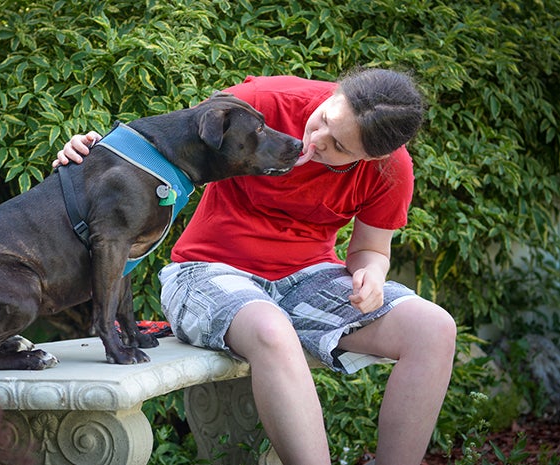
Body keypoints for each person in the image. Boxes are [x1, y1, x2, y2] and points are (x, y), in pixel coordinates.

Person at [54, 69, 457, 465]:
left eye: (338, 147)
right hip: (206, 271)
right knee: (271, 327)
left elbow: (371, 250)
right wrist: (91, 151)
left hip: (308, 279)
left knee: (433, 329)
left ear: (376, 156)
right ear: (336, 94)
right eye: (323, 121)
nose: (312, 142)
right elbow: (159, 143)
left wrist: (373, 272)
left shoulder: (391, 169)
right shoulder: (265, 101)